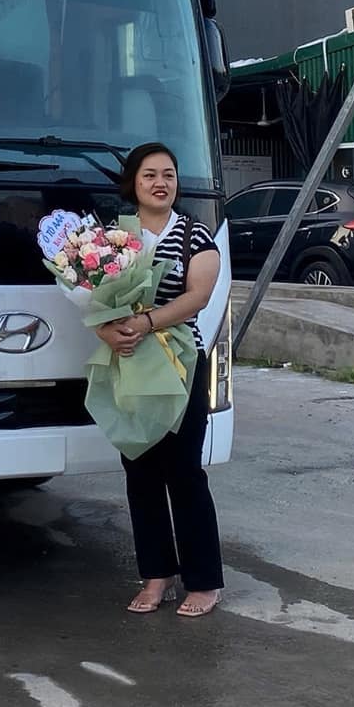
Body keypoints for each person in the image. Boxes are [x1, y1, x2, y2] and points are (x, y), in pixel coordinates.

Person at [97, 141, 225, 620]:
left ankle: (204, 581)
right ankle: (156, 575)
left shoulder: (194, 234)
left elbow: (198, 296)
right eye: (150, 174)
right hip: (131, 363)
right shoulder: (112, 238)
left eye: (168, 174)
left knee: (184, 471)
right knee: (140, 470)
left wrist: (147, 322)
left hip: (180, 363)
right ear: (133, 182)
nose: (160, 183)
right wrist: (107, 332)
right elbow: (93, 295)